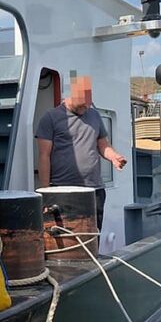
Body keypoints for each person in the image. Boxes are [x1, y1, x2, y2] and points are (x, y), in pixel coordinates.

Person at [35, 76, 126, 231]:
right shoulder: (50, 118)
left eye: (88, 103)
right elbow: (44, 156)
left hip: (94, 190)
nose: (86, 106)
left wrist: (114, 157)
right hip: (62, 191)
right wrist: (45, 193)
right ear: (70, 95)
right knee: (68, 238)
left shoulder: (94, 115)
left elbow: (103, 145)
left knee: (93, 236)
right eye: (83, 103)